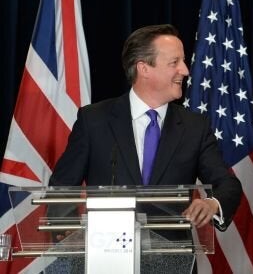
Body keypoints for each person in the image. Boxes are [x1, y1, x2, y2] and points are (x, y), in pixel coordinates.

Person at [49, 24, 242, 233]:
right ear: (144, 69)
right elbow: (62, 187)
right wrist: (66, 231)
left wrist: (212, 203)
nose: (185, 70)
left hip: (173, 260)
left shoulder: (195, 127)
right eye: (174, 62)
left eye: (183, 61)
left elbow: (227, 184)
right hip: (106, 256)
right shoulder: (94, 120)